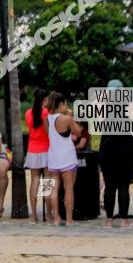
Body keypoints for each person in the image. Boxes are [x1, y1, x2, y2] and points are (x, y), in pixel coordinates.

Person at [45, 93, 82, 227]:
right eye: (65, 104)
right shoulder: (66, 119)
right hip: (67, 156)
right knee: (69, 188)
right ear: (61, 104)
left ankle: (56, 218)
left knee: (54, 189)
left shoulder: (47, 118)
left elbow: (47, 133)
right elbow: (78, 132)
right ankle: (69, 220)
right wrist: (71, 116)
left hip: (53, 156)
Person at [99, 131, 133, 229]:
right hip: (125, 159)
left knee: (109, 189)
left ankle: (109, 221)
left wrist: (102, 165)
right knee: (123, 188)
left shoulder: (107, 124)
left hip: (108, 159)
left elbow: (102, 147)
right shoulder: (126, 123)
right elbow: (132, 150)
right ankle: (124, 221)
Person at [25, 89, 50, 223]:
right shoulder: (45, 112)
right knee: (47, 181)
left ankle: (34, 215)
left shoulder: (28, 113)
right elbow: (47, 131)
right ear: (45, 99)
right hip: (46, 150)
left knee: (34, 180)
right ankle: (49, 214)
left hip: (32, 150)